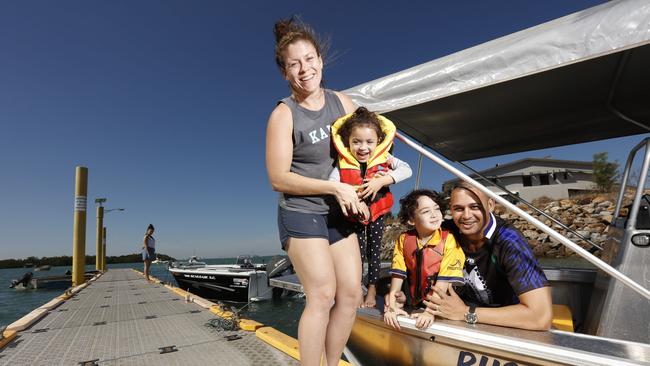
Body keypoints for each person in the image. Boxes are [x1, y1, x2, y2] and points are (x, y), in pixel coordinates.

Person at [265, 16, 363, 366]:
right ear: (285, 74)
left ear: (320, 60)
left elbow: (364, 151)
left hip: (340, 211)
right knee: (322, 294)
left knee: (351, 293)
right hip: (301, 211)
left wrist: (373, 181)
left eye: (309, 59)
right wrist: (334, 187)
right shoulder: (283, 114)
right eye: (294, 65)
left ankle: (332, 363)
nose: (304, 69)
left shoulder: (343, 103)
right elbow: (278, 178)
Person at [424, 182, 553, 330]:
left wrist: (465, 312)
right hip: (458, 318)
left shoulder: (509, 241)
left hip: (509, 323)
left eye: (475, 207)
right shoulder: (445, 232)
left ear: (490, 205)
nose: (466, 216)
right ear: (451, 209)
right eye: (459, 209)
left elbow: (540, 317)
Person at [329, 107, 412, 307]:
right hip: (353, 216)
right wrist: (346, 197)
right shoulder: (341, 163)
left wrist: (382, 181)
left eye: (369, 142)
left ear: (379, 141)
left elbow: (406, 170)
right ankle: (356, 287)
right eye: (356, 142)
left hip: (377, 213)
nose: (363, 147)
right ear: (348, 141)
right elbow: (332, 183)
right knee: (356, 253)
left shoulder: (385, 158)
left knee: (374, 252)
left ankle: (372, 289)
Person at [384, 189, 465, 329]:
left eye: (437, 209)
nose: (434, 215)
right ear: (411, 220)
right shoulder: (403, 240)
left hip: (441, 304)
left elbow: (443, 283)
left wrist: (429, 312)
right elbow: (397, 278)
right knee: (393, 298)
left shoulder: (449, 240)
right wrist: (391, 307)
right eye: (426, 211)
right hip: (415, 302)